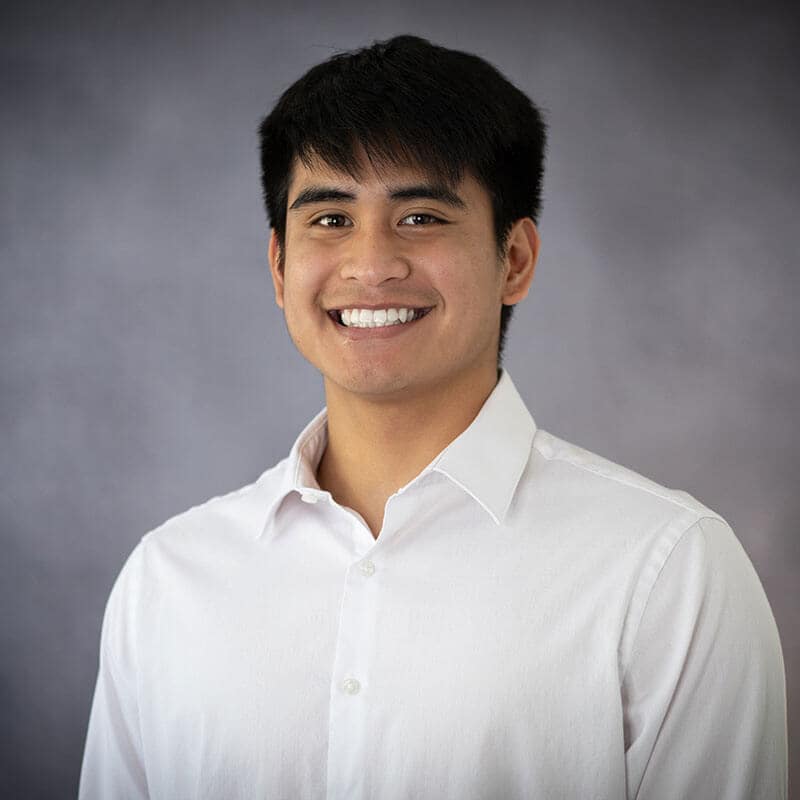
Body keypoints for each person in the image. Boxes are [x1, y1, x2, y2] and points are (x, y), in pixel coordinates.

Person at [79, 34, 787, 799]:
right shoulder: (169, 580)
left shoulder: (668, 573)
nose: (371, 264)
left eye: (420, 217)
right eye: (329, 220)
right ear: (279, 266)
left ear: (514, 259)